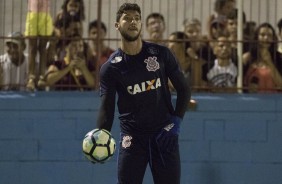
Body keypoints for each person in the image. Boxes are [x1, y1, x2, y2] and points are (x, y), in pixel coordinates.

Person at [95, 3, 190, 184]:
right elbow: (107, 109)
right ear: (117, 25)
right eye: (127, 18)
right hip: (132, 139)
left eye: (137, 18)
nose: (133, 22)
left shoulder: (160, 54)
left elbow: (184, 89)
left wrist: (176, 123)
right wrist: (101, 137)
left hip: (164, 135)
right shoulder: (110, 68)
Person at [243, 23, 282, 93]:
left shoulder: (279, 57)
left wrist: (269, 62)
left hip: (274, 101)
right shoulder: (249, 57)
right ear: (257, 37)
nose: (266, 38)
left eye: (269, 35)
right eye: (262, 35)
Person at [25, 0, 53, 91]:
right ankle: (31, 79)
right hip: (32, 13)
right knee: (32, 48)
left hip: (45, 14)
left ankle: (41, 77)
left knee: (43, 48)